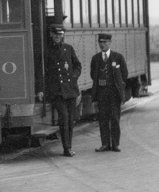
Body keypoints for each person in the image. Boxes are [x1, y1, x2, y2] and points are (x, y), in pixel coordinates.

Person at [37, 22, 82, 157]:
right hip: (56, 91)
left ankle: (69, 146)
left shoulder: (68, 49)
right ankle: (66, 148)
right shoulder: (46, 51)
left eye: (60, 35)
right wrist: (40, 89)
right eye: (55, 34)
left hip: (70, 90)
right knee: (64, 117)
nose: (57, 37)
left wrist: (74, 77)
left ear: (63, 35)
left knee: (71, 119)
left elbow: (77, 65)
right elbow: (40, 72)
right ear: (51, 35)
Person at [90, 33, 128, 152]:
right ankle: (105, 144)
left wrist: (118, 86)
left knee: (115, 118)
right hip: (101, 93)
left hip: (114, 93)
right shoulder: (95, 58)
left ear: (110, 43)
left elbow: (124, 74)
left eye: (105, 42)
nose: (102, 45)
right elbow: (93, 74)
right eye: (100, 42)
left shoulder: (118, 57)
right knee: (103, 118)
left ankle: (115, 144)